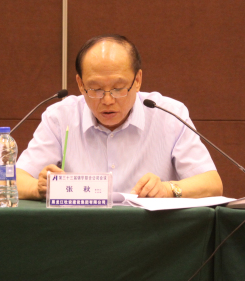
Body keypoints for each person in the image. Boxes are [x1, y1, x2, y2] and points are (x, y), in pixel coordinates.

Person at [16, 35, 223, 199]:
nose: (107, 100)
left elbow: (212, 183)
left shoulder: (169, 115)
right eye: (95, 89)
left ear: (137, 80)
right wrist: (39, 188)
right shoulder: (60, 117)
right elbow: (12, 180)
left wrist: (168, 189)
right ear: (80, 84)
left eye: (118, 88)